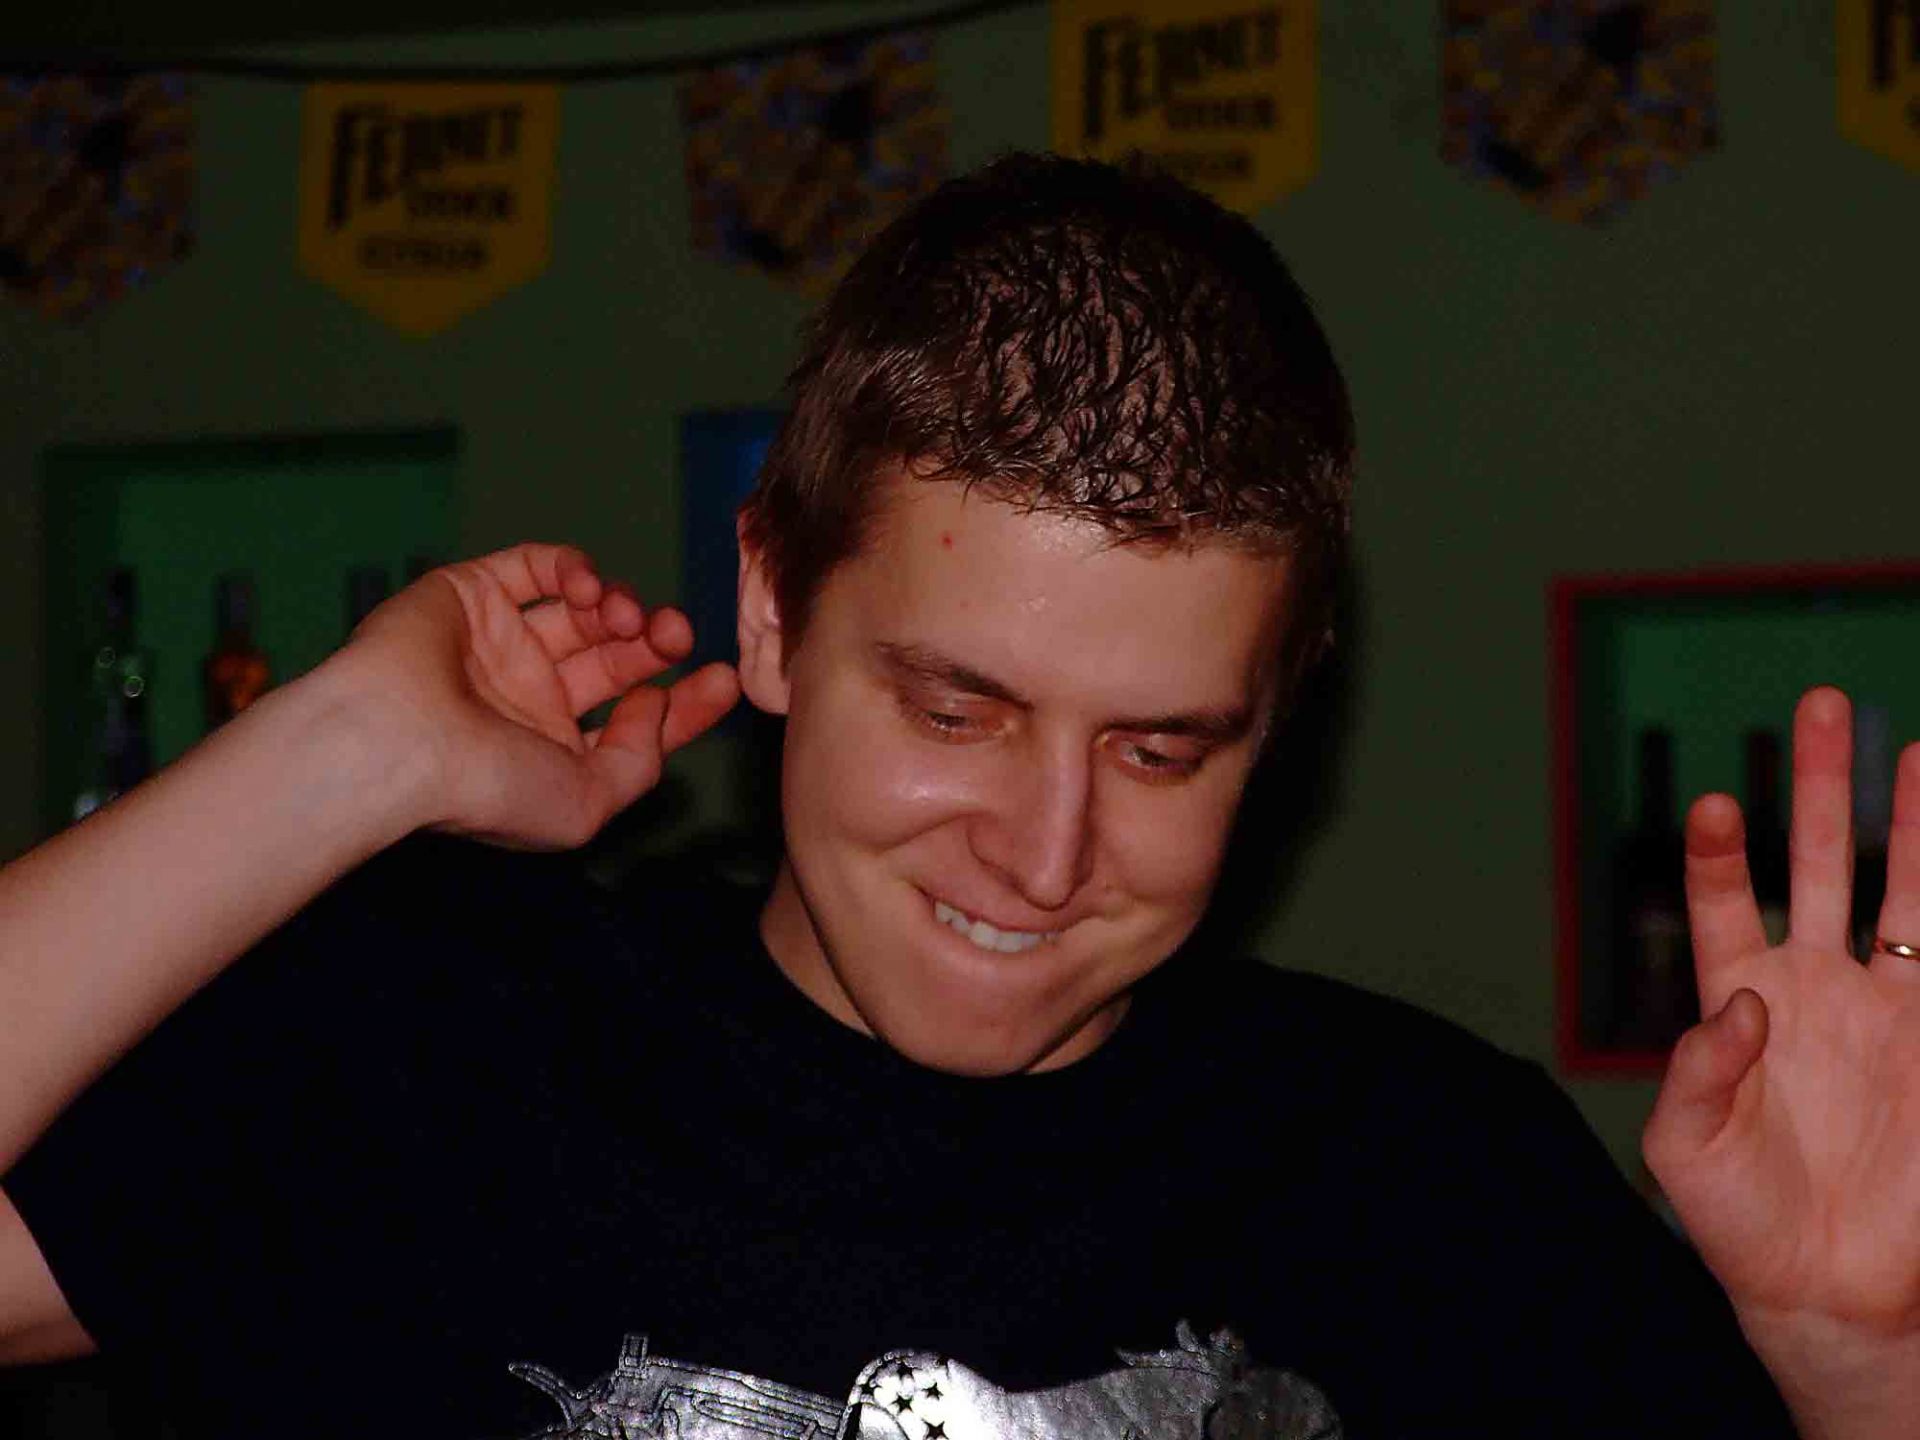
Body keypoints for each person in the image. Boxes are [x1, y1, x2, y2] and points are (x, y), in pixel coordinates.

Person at [0, 154, 1915, 1440]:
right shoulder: (431, 1051)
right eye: (956, 708)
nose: (1045, 852)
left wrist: (1864, 1370)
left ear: (1278, 720)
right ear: (770, 610)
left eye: (1162, 750)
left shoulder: (1433, 1180)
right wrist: (337, 758)